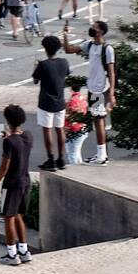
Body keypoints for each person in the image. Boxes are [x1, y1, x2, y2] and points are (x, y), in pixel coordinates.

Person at [60, 20, 115, 165]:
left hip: (100, 89)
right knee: (98, 120)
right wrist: (65, 35)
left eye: (94, 27)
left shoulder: (107, 49)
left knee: (99, 121)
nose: (91, 29)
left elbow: (111, 72)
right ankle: (100, 154)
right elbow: (68, 50)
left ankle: (102, 156)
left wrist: (112, 93)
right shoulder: (89, 45)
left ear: (101, 32)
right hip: (92, 89)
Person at [0, 104, 34, 266]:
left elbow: (4, 167)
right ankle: (24, 251)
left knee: (8, 217)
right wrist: (9, 137)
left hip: (11, 184)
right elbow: (19, 143)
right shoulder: (28, 136)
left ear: (7, 120)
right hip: (25, 182)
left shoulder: (8, 142)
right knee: (18, 215)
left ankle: (11, 254)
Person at [32, 35, 70, 171]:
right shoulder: (64, 62)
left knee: (47, 129)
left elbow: (35, 81)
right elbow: (66, 74)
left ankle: (50, 159)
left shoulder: (43, 64)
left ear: (45, 48)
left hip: (46, 102)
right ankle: (61, 158)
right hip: (60, 101)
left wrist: (35, 66)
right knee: (59, 129)